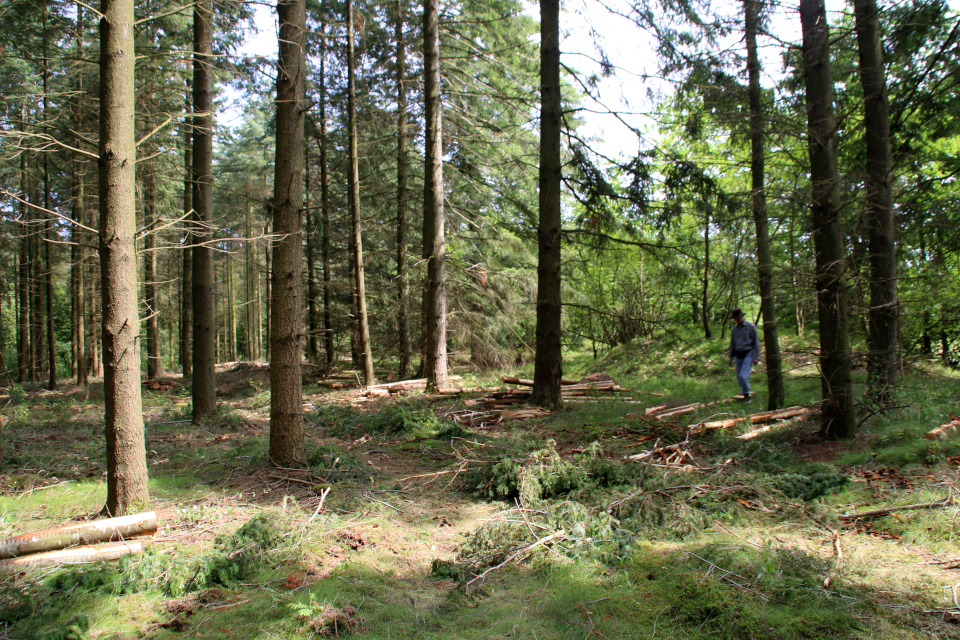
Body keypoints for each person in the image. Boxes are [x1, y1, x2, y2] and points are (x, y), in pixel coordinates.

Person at [728, 308, 761, 402]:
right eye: (735, 318)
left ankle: (747, 395)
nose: (736, 320)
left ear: (741, 316)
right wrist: (731, 357)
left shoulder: (750, 327)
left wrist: (756, 357)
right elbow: (732, 343)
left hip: (749, 353)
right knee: (739, 377)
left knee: (743, 375)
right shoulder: (734, 329)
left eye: (738, 318)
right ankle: (744, 393)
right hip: (738, 354)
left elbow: (756, 342)